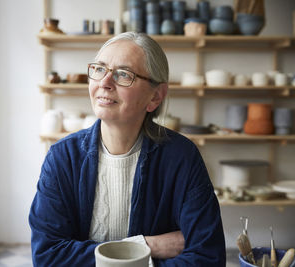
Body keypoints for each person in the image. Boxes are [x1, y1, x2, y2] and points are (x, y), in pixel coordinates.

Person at [29, 32, 226, 266]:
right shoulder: (63, 157)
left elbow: (207, 257)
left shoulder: (182, 157)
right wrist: (144, 246)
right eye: (100, 69)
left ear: (155, 96)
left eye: (123, 74)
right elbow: (48, 255)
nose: (104, 82)